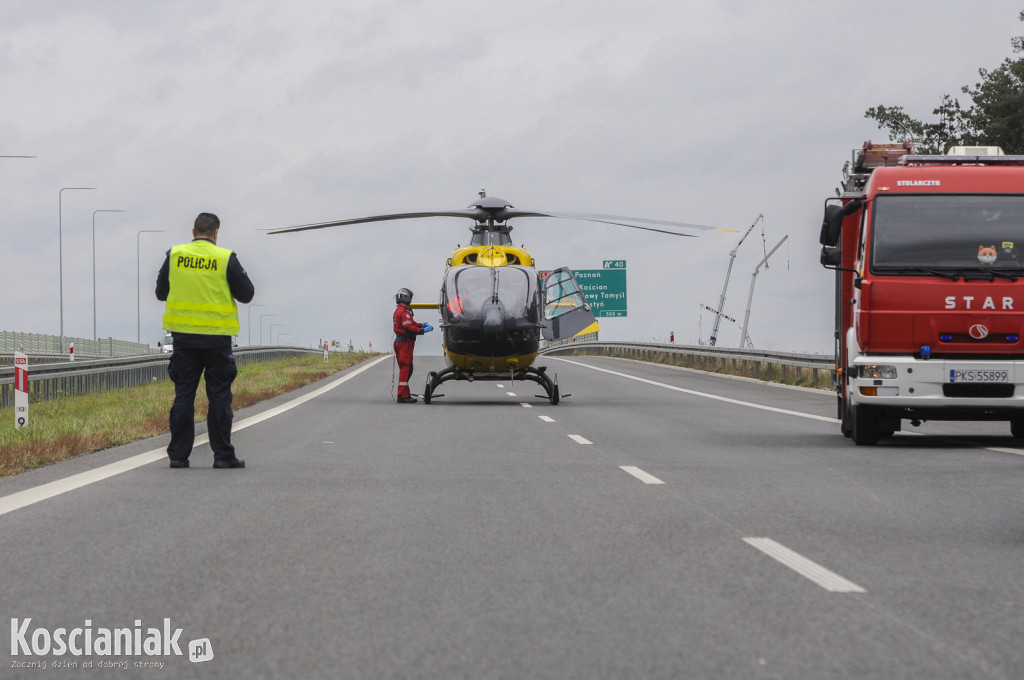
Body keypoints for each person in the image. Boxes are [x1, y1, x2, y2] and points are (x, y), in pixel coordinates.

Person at [156, 212, 254, 468]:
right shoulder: (225, 259)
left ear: (193, 231)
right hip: (216, 341)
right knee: (219, 397)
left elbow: (160, 293)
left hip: (183, 340)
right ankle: (222, 456)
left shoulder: (174, 255)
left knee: (184, 397)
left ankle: (178, 456)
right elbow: (247, 294)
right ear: (216, 233)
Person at [393, 288, 432, 403]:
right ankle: (402, 395)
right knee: (406, 368)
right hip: (405, 343)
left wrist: (420, 325)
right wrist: (422, 331)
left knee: (408, 368)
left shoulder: (399, 311)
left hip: (400, 342)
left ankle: (404, 393)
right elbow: (409, 328)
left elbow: (410, 324)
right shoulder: (405, 312)